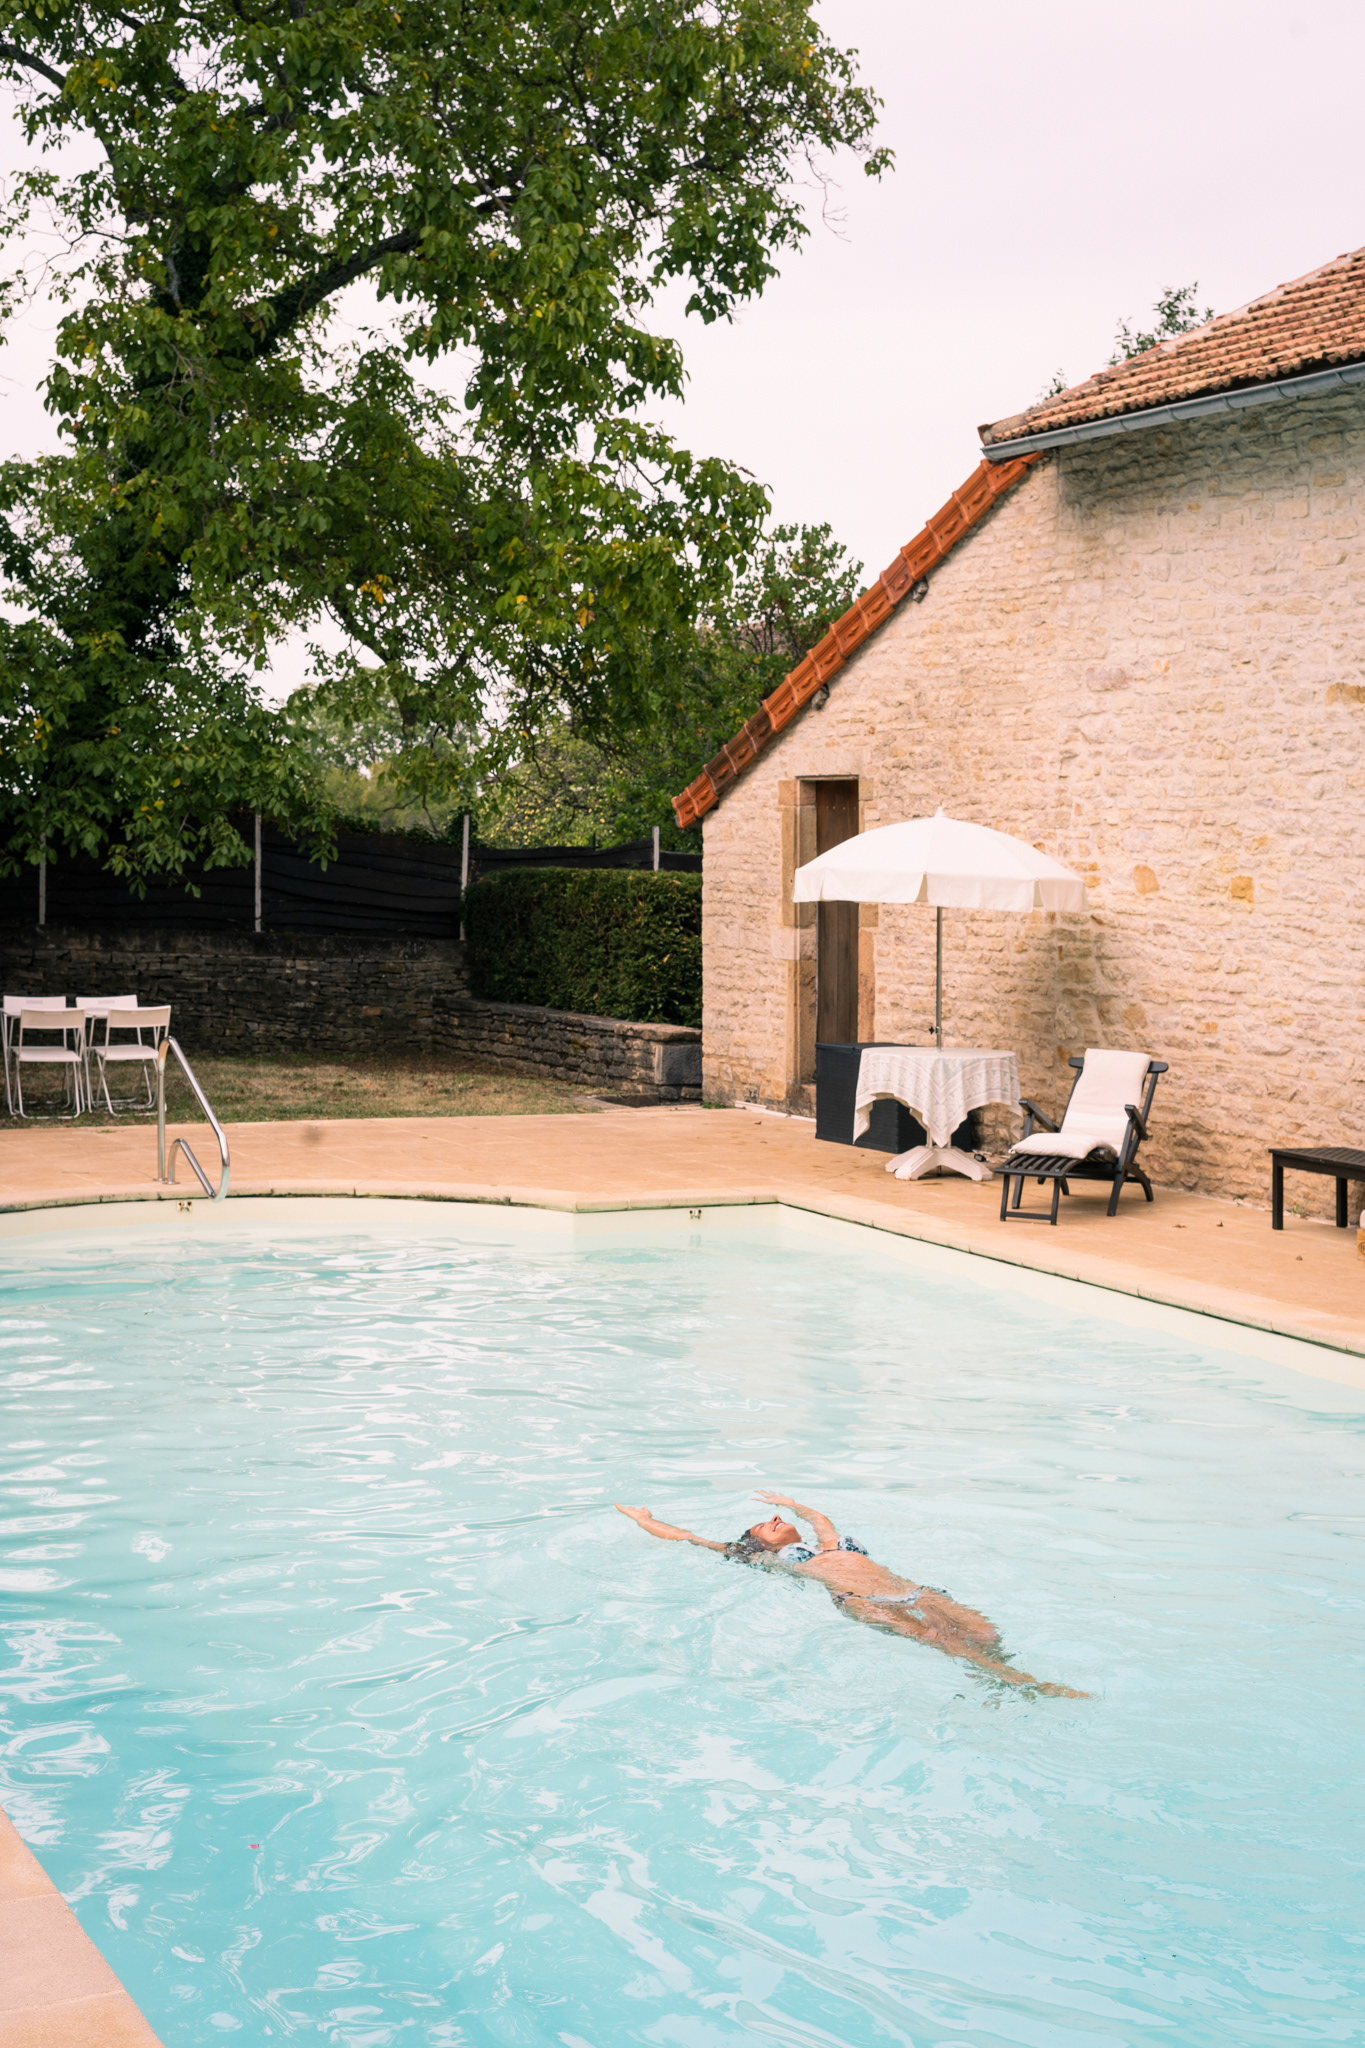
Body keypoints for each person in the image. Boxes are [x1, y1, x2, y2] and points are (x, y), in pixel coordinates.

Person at [615, 1490, 1086, 1698]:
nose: (774, 1520)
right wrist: (644, 1520)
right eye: (765, 1524)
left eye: (775, 1517)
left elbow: (821, 1521)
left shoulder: (829, 1543)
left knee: (985, 1634)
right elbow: (689, 1537)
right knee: (943, 1641)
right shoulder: (775, 1559)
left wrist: (794, 1504)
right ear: (758, 1545)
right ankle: (1026, 1685)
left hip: (915, 1592)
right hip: (861, 1602)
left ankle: (995, 1677)